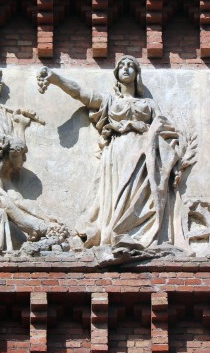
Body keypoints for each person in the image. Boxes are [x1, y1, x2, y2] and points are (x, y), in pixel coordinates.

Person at [37, 56, 191, 253]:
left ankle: (137, 234)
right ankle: (115, 233)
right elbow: (81, 94)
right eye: (122, 66)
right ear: (116, 74)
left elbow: (164, 127)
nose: (126, 69)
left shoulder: (149, 104)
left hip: (145, 152)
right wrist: (56, 78)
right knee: (117, 191)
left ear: (137, 74)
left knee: (140, 191)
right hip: (118, 151)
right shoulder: (110, 101)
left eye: (131, 66)